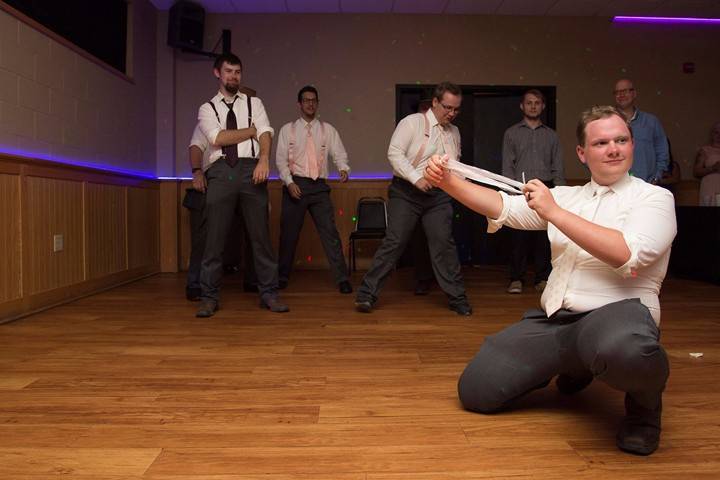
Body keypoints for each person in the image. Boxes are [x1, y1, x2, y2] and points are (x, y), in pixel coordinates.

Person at [424, 105, 676, 456]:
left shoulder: (655, 199)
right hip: (558, 320)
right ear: (582, 153)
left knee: (627, 351)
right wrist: (447, 180)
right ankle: (578, 363)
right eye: (602, 143)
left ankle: (645, 413)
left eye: (622, 140)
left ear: (632, 145)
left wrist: (553, 212)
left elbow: (627, 254)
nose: (614, 149)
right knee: (477, 390)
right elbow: (503, 207)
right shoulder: (567, 196)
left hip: (620, 315)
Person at [354, 82, 472, 316]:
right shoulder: (412, 123)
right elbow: (394, 153)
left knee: (443, 243)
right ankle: (366, 294)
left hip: (438, 196)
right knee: (395, 241)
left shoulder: (454, 132)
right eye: (448, 107)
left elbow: (455, 166)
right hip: (406, 192)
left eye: (456, 109)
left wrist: (468, 189)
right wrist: (417, 178)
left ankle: (458, 298)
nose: (452, 113)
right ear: (435, 102)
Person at [195, 52, 288, 316]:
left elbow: (266, 132)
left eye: (237, 72)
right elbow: (217, 137)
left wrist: (264, 159)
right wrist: (251, 131)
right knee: (214, 238)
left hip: (251, 169)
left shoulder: (254, 103)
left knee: (261, 238)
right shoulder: (207, 108)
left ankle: (268, 293)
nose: (233, 76)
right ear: (217, 73)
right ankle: (209, 297)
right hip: (221, 171)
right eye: (228, 71)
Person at [275, 86, 353, 294]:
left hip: (319, 187)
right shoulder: (287, 130)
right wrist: (289, 183)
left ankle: (342, 279)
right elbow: (281, 161)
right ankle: (281, 277)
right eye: (306, 100)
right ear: (299, 104)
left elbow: (339, 153)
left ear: (317, 103)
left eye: (313, 100)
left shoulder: (328, 129)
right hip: (295, 184)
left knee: (330, 234)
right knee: (288, 235)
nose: (310, 104)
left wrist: (343, 168)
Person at [502, 89, 564, 294]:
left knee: (544, 239)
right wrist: (510, 193)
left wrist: (560, 194)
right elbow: (507, 165)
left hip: (547, 188)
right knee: (518, 237)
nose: (533, 106)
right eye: (529, 103)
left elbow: (558, 166)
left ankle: (542, 278)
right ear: (522, 106)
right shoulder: (511, 133)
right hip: (520, 189)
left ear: (543, 106)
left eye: (537, 103)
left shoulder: (551, 135)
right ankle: (516, 279)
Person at [184, 124, 256, 302]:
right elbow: (196, 146)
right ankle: (195, 283)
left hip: (246, 178)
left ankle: (254, 280)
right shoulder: (209, 119)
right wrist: (197, 172)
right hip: (215, 177)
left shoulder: (252, 122)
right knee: (204, 232)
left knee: (254, 228)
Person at [613, 78, 669, 183]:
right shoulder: (605, 122)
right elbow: (590, 151)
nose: (621, 95)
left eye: (625, 91)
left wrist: (657, 177)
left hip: (647, 186)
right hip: (614, 187)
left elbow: (662, 152)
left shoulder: (651, 122)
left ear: (634, 94)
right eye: (617, 92)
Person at [693, 122, 720, 206]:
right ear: (712, 134)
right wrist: (713, 168)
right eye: (716, 132)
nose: (719, 136)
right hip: (710, 187)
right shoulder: (705, 150)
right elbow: (696, 172)